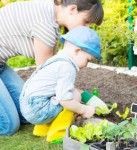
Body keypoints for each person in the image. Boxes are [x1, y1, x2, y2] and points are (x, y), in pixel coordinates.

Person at [0, 0, 104, 135]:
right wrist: (83, 98)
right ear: (73, 9)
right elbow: (49, 78)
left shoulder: (49, 11)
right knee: (8, 125)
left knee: (25, 114)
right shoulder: (46, 26)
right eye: (86, 21)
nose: (87, 28)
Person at [19, 26, 101, 125]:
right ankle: (59, 130)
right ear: (77, 51)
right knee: (75, 97)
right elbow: (64, 100)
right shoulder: (67, 67)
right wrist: (84, 110)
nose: (87, 64)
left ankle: (44, 127)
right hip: (39, 110)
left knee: (71, 92)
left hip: (26, 104)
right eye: (87, 60)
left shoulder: (56, 60)